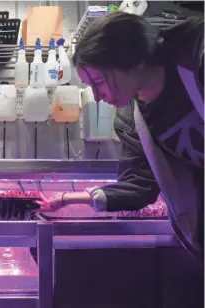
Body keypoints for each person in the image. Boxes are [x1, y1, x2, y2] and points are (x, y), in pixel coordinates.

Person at [36, 12, 204, 260]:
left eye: (100, 81)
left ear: (133, 60)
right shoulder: (133, 119)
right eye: (90, 86)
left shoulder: (195, 60)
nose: (96, 96)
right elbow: (140, 185)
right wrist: (70, 198)